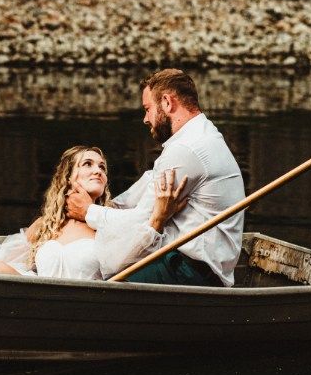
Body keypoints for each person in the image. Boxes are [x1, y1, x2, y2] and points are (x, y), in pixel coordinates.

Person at [66, 68, 245, 286]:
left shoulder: (188, 149)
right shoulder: (199, 135)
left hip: (190, 271)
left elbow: (145, 221)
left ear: (167, 103)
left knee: (104, 283)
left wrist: (89, 211)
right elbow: (150, 182)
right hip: (188, 264)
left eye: (148, 109)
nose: (145, 119)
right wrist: (109, 205)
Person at [0, 145, 187, 280]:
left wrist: (160, 218)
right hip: (34, 297)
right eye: (88, 164)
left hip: (77, 305)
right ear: (69, 177)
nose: (98, 170)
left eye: (103, 167)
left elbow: (137, 251)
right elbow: (0, 255)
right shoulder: (47, 224)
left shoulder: (109, 219)